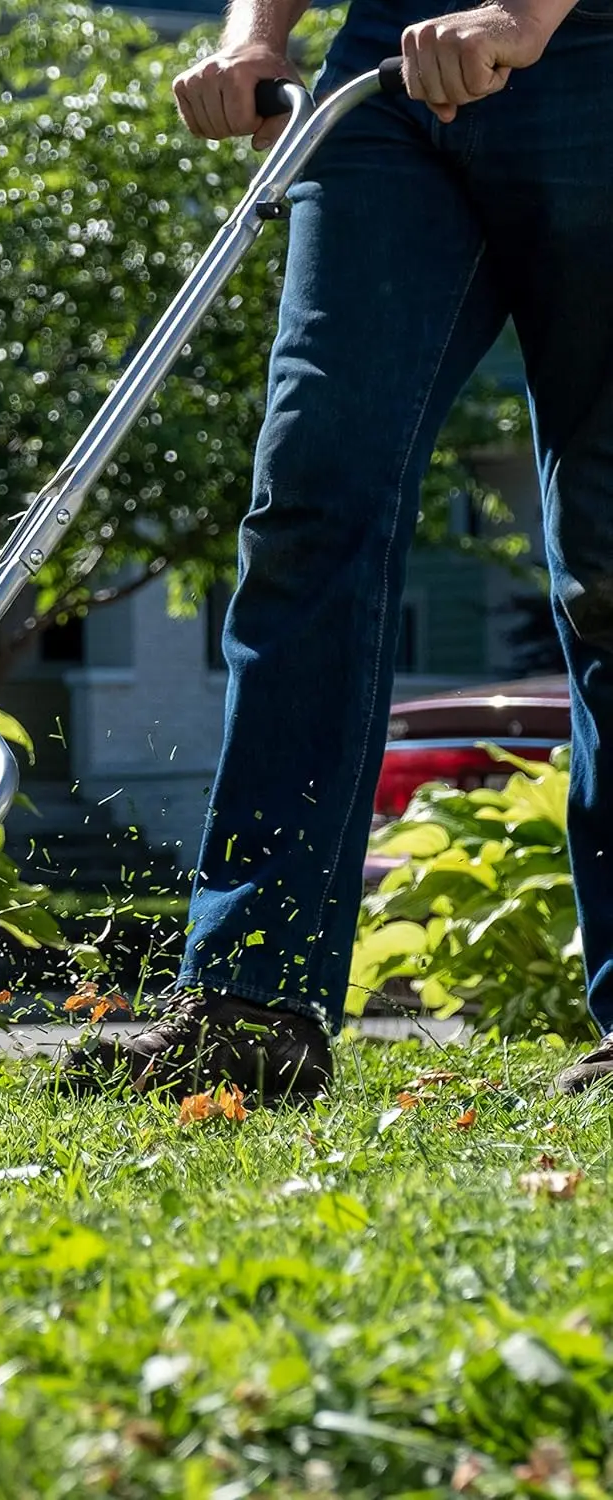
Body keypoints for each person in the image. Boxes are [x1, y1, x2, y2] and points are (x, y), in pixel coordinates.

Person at [65, 0, 613, 1101]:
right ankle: (250, 1005)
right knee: (313, 498)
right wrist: (255, 34)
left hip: (589, 57)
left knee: (610, 564)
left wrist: (524, 11)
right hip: (387, 73)